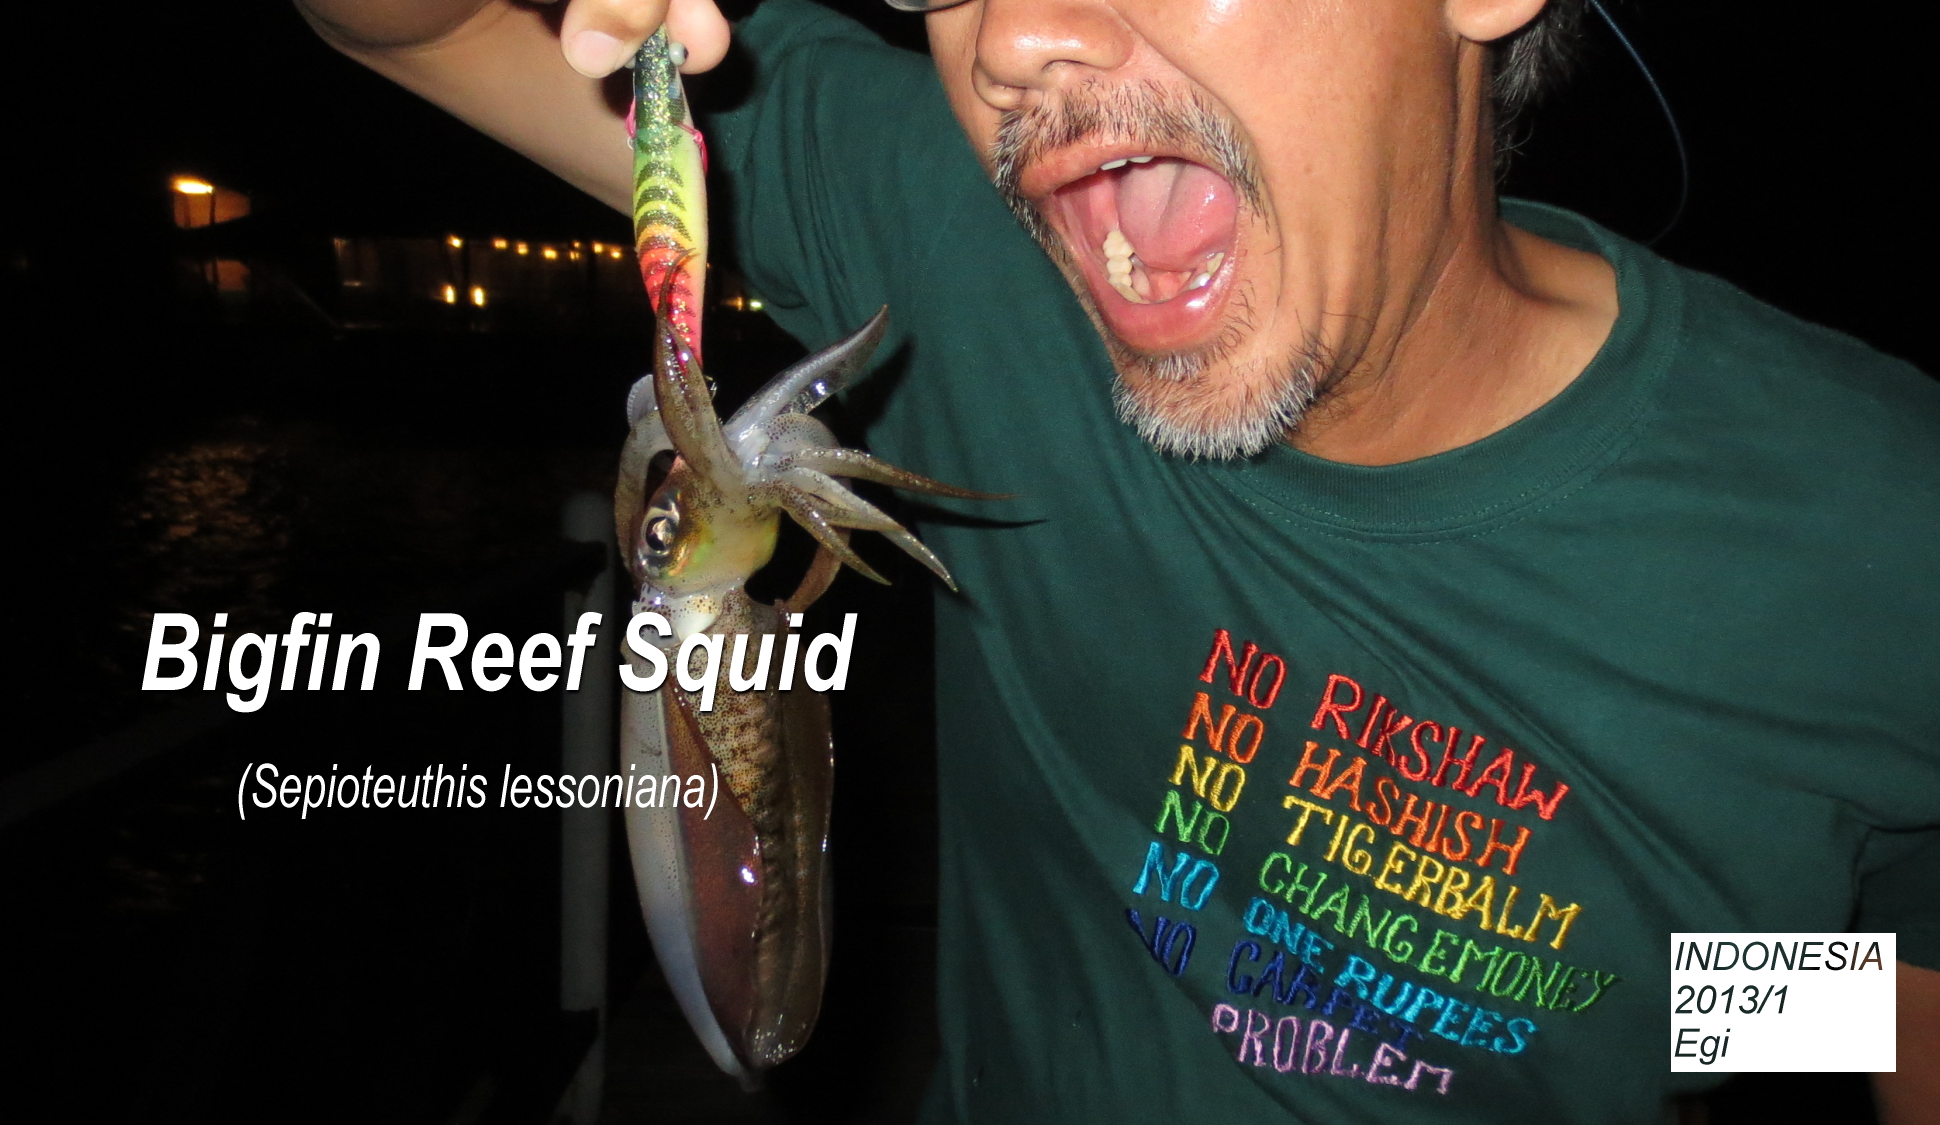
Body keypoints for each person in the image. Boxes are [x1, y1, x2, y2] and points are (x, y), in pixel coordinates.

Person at [297, 0, 1939, 1119]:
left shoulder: (1884, 530)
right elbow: (412, 26)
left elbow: (1891, 989)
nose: (1009, 39)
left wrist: (1640, 1004)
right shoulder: (957, 260)